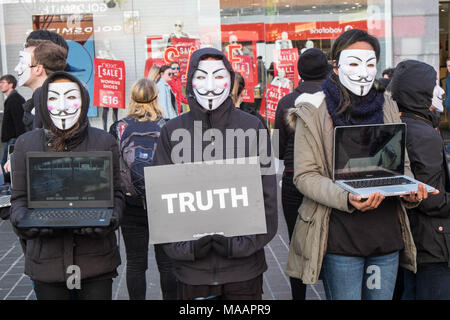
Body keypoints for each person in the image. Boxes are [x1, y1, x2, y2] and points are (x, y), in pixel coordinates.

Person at [285, 29, 433, 300]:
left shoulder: (387, 104)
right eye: (353, 62)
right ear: (336, 64)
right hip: (340, 235)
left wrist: (410, 189)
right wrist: (348, 197)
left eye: (370, 63)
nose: (363, 72)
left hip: (386, 234)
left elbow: (401, 162)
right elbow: (305, 175)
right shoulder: (313, 109)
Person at [152, 47, 278, 300]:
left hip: (244, 270)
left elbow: (267, 197)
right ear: (190, 81)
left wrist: (242, 245)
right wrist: (185, 250)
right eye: (201, 76)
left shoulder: (252, 127)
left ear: (230, 79)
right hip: (193, 272)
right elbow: (160, 202)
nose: (210, 86)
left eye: (219, 76)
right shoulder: (172, 131)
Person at [8, 71, 124, 300]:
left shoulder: (104, 141)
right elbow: (19, 198)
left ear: (83, 100)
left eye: (71, 97)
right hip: (47, 261)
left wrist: (110, 219)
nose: (62, 106)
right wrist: (23, 221)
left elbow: (117, 193)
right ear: (43, 103)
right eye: (52, 98)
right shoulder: (26, 144)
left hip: (95, 259)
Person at [109, 78, 177, 300]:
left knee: (136, 263)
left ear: (132, 98)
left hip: (131, 204)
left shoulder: (119, 127)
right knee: (167, 264)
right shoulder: (168, 126)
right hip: (164, 204)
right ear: (157, 98)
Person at [390, 60, 450, 300]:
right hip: (432, 241)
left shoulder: (404, 123)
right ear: (419, 90)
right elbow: (430, 198)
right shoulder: (422, 133)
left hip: (416, 238)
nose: (442, 90)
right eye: (434, 84)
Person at [274, 47, 331, 300]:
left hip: (293, 179)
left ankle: (299, 297)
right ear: (328, 71)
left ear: (299, 73)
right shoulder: (335, 100)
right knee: (332, 240)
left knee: (297, 244)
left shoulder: (286, 102)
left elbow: (276, 149)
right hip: (327, 180)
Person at [15, 39, 67, 132]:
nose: (16, 68)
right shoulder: (38, 103)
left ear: (38, 69)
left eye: (22, 63)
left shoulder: (57, 106)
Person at [0, 74, 25, 182]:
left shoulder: (14, 99)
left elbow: (19, 121)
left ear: (11, 84)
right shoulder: (12, 99)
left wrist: (20, 139)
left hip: (15, 139)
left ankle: (11, 191)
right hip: (12, 138)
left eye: (3, 83)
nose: (0, 85)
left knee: (7, 167)